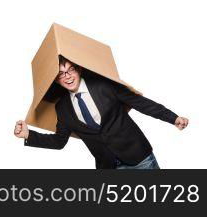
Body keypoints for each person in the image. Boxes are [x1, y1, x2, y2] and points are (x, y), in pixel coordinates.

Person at [13, 56, 188, 169]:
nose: (67, 76)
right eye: (61, 74)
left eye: (70, 70)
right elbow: (59, 141)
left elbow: (141, 103)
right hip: (108, 166)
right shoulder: (62, 108)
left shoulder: (104, 85)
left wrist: (173, 118)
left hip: (139, 158)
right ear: (57, 80)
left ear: (79, 69)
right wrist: (29, 134)